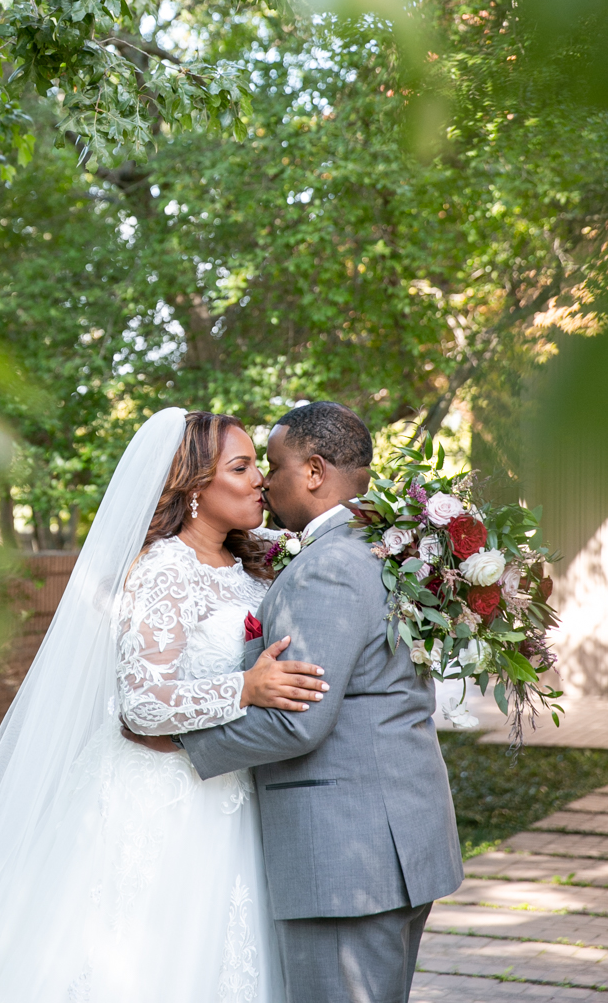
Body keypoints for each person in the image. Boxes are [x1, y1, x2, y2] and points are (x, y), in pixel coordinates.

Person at [0, 407, 326, 1003]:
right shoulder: (162, 571)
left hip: (232, 792)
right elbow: (143, 706)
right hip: (160, 799)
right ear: (194, 485)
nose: (259, 479)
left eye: (258, 465)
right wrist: (243, 689)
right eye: (242, 466)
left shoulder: (254, 565)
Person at [128, 401, 464, 1003]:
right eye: (245, 466)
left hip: (345, 853)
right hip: (393, 834)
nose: (262, 478)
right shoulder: (385, 548)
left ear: (312, 472)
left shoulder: (325, 567)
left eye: (270, 463)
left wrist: (178, 740)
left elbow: (295, 726)